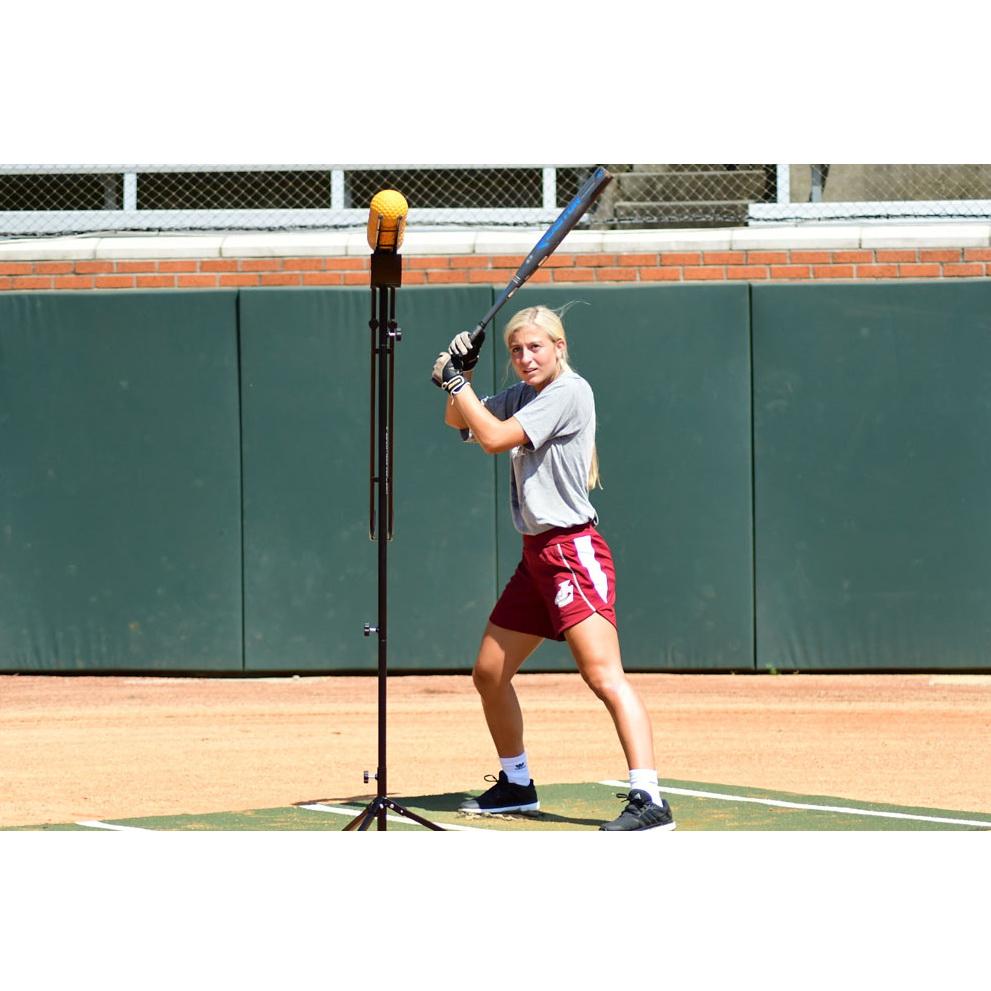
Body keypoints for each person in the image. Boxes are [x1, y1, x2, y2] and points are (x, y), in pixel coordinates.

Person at [430, 304, 676, 832]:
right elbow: (462, 422)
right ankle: (516, 783)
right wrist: (464, 375)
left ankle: (650, 799)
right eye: (516, 350)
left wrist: (453, 381)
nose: (525, 357)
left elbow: (496, 440)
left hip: (571, 553)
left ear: (559, 348)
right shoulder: (525, 394)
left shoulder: (569, 391)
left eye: (535, 347)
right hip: (536, 557)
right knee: (490, 673)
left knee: (603, 676)